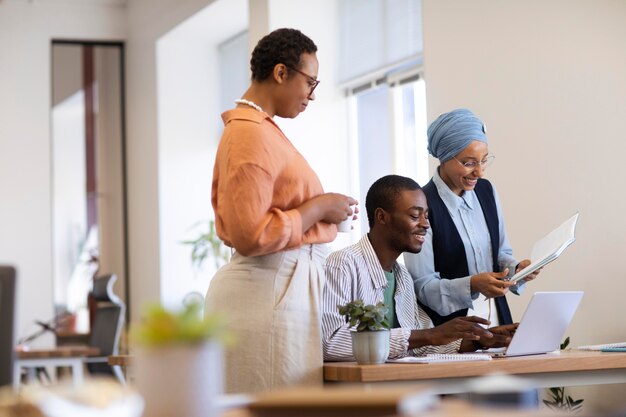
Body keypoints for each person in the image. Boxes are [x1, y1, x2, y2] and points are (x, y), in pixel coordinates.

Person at [205, 28, 357, 393]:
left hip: (278, 289)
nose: (312, 95)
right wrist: (320, 206)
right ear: (280, 73)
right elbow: (250, 233)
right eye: (310, 82)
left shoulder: (262, 130)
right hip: (269, 291)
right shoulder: (250, 134)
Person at [322, 175, 517, 361]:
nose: (425, 224)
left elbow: (423, 345)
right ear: (381, 217)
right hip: (357, 392)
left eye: (426, 215)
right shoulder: (343, 265)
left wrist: (479, 338)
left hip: (400, 388)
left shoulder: (403, 278)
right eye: (415, 215)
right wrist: (429, 335)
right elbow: (330, 342)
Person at [404, 108, 541, 327]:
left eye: (484, 160)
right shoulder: (421, 204)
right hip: (451, 331)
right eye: (469, 163)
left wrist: (516, 270)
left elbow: (501, 254)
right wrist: (472, 285)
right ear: (444, 157)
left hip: (498, 321)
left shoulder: (487, 191)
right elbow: (422, 287)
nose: (480, 172)